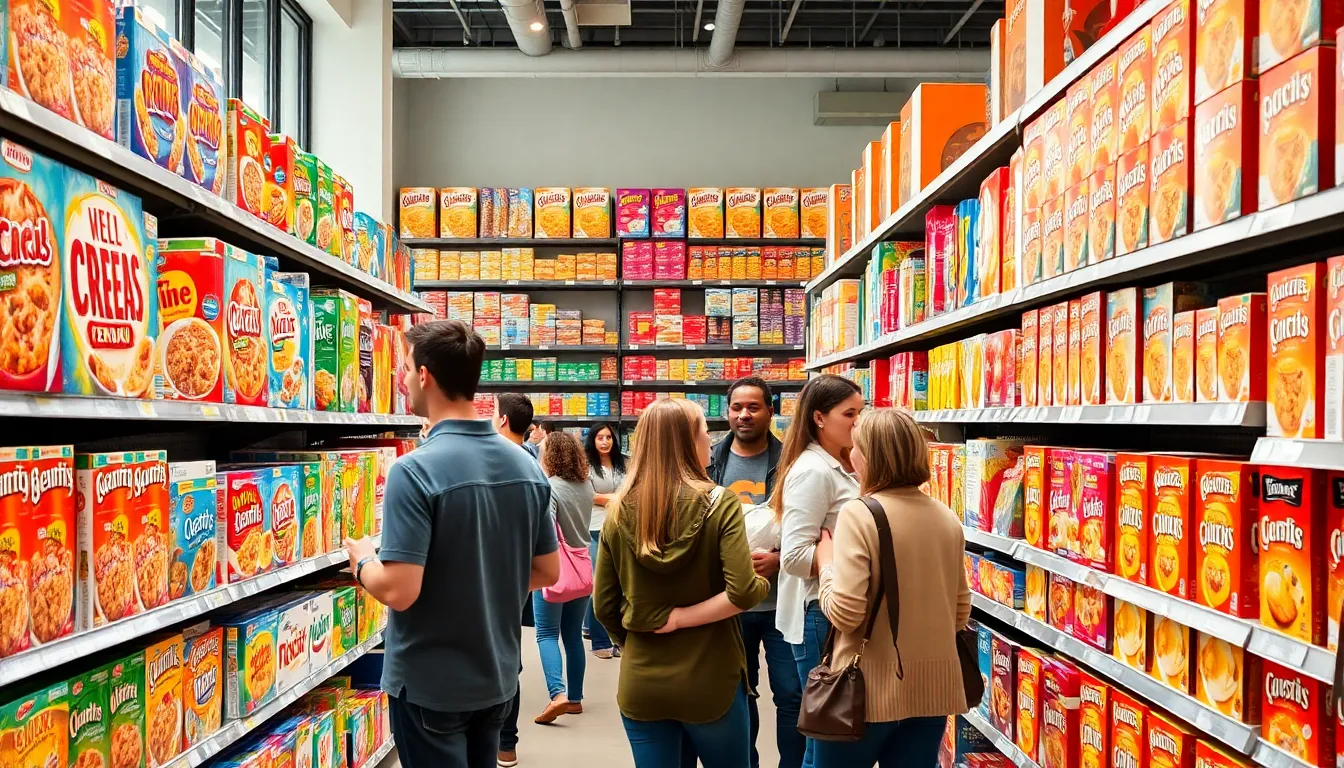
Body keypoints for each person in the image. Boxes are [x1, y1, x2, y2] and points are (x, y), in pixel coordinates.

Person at [344, 320, 558, 768]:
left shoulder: (414, 471)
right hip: (497, 678)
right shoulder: (526, 466)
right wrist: (483, 585)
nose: (401, 380)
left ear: (425, 376)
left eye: (404, 369)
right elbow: (547, 572)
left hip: (430, 686)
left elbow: (400, 590)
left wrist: (363, 560)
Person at [593, 398, 770, 768]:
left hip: (643, 679)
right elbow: (742, 592)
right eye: (706, 431)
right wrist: (761, 583)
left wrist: (640, 639)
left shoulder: (618, 509)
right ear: (689, 442)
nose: (710, 438)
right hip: (711, 679)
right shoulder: (720, 503)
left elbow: (603, 607)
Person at [812, 409, 970, 767]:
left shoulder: (861, 513)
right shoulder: (946, 516)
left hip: (867, 692)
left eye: (855, 447)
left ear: (869, 456)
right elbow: (960, 613)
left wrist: (826, 564)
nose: (850, 454)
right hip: (933, 692)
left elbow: (847, 613)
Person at [706, 377, 802, 768]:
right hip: (728, 606)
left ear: (771, 411)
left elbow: (813, 524)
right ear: (727, 413)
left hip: (782, 604)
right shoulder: (709, 461)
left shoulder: (793, 462)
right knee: (737, 696)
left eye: (753, 407)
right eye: (736, 408)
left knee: (793, 695)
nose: (744, 415)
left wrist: (781, 559)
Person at [771, 374, 864, 768]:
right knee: (827, 737)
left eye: (862, 413)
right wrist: (846, 557)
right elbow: (792, 556)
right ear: (820, 418)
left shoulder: (845, 462)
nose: (858, 423)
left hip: (837, 606)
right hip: (818, 614)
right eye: (850, 414)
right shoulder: (813, 471)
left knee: (830, 735)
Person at [533, 431, 597, 724]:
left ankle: (556, 694)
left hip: (555, 571)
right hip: (582, 568)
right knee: (573, 637)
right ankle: (575, 699)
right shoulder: (586, 485)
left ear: (552, 455)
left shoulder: (550, 487)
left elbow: (546, 530)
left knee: (546, 634)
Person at [493, 392, 541, 767]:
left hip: (501, 575)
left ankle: (502, 740)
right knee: (510, 656)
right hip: (520, 574)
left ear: (503, 421)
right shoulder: (534, 464)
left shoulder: (503, 462)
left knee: (504, 659)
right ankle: (505, 744)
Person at [583, 422, 626, 659]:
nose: (605, 441)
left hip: (619, 527)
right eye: (600, 437)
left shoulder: (621, 463)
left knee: (620, 584)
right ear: (593, 440)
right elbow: (590, 496)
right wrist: (615, 498)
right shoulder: (586, 465)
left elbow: (630, 491)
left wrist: (608, 498)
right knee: (598, 584)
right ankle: (599, 640)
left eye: (608, 437)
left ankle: (618, 639)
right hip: (594, 529)